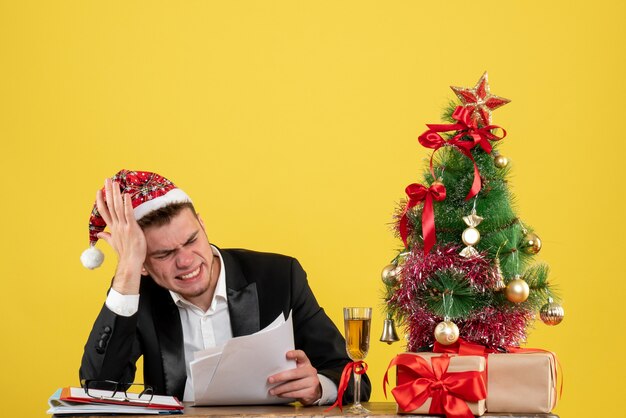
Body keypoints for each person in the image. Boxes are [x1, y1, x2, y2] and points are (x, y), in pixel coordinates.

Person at [79, 169, 371, 406]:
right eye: (164, 254)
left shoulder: (279, 276)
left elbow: (352, 375)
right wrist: (128, 269)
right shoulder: (134, 294)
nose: (185, 261)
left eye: (192, 240)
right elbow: (98, 387)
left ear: (203, 226)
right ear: (143, 263)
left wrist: (318, 387)